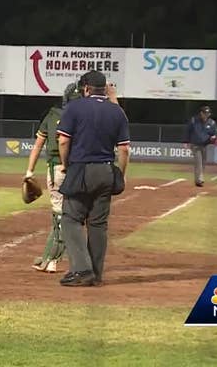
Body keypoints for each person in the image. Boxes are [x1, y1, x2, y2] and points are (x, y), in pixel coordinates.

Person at [25, 81, 120, 273]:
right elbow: (116, 118)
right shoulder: (88, 115)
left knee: (62, 216)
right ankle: (56, 257)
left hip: (58, 169)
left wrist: (29, 172)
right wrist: (112, 96)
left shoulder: (53, 115)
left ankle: (52, 258)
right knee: (77, 217)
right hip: (81, 170)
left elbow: (40, 145)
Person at [56, 70, 130, 287]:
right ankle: (96, 274)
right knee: (98, 225)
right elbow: (124, 149)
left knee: (71, 219)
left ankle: (81, 269)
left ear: (86, 88)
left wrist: (66, 164)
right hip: (106, 170)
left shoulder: (75, 107)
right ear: (105, 88)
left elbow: (62, 141)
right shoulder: (117, 112)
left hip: (81, 169)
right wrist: (120, 174)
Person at [183, 106, 217, 187]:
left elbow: (215, 133)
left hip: (204, 145)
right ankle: (199, 180)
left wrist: (214, 137)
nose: (206, 115)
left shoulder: (212, 123)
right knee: (198, 162)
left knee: (203, 163)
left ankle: (198, 179)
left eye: (208, 113)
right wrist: (186, 141)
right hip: (195, 145)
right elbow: (187, 131)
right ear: (201, 113)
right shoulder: (194, 120)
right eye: (205, 113)